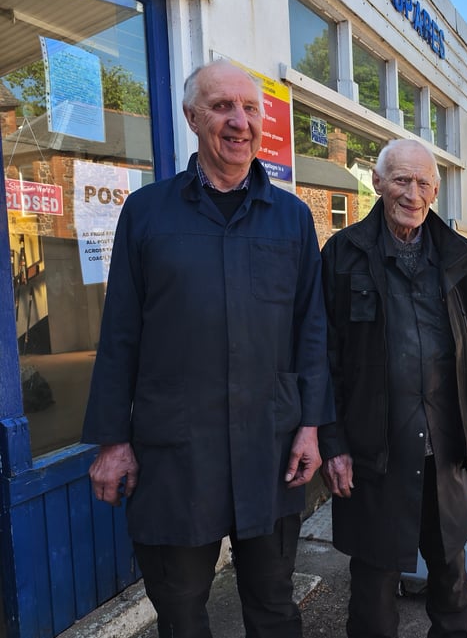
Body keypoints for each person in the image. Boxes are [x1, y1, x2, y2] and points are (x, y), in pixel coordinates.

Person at [82, 59, 334, 638]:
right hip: (176, 456)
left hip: (268, 451)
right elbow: (121, 332)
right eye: (222, 107)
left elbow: (311, 332)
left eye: (250, 108)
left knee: (273, 608)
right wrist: (114, 439)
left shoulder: (292, 219)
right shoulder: (147, 213)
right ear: (192, 117)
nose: (239, 121)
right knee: (180, 611)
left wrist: (311, 427)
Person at [319, 139, 467, 638]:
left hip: (443, 448)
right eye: (401, 180)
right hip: (372, 452)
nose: (413, 193)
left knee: (451, 579)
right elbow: (325, 358)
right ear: (377, 183)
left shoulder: (459, 256)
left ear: (436, 191)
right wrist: (331, 444)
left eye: (423, 183)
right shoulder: (342, 255)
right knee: (373, 592)